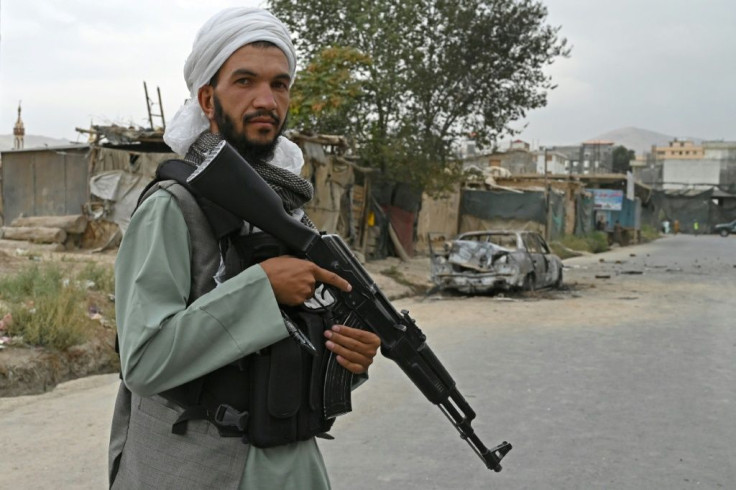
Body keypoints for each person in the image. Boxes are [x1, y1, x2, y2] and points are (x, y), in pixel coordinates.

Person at [108, 8, 381, 489]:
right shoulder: (174, 208)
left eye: (279, 85)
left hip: (292, 465)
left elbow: (302, 350)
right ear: (209, 99)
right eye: (246, 81)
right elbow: (144, 363)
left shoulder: (290, 208)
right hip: (191, 469)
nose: (266, 99)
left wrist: (348, 358)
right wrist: (262, 289)